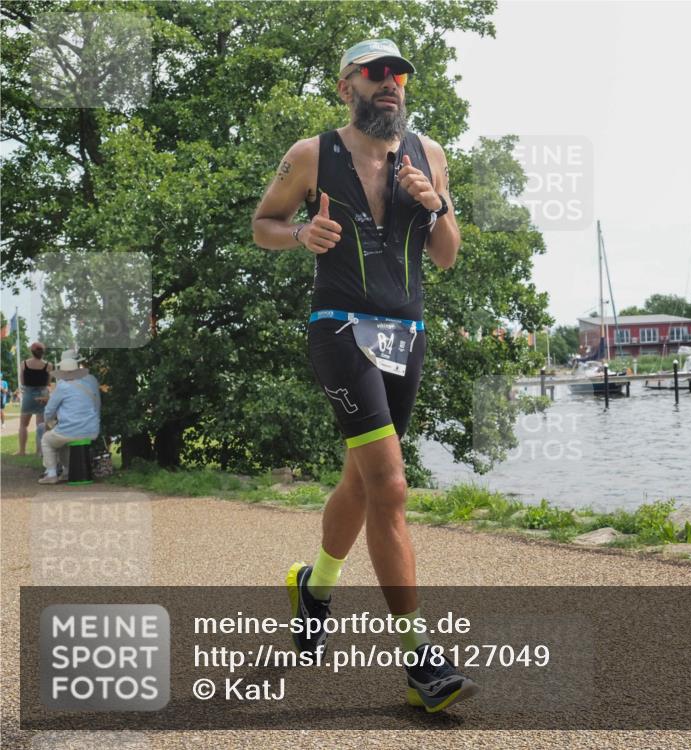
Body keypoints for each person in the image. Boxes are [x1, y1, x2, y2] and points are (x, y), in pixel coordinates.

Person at [251, 38, 476, 712]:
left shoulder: (429, 155)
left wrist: (435, 204)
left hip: (407, 334)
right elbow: (263, 224)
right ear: (346, 85)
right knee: (390, 484)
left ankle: (315, 587)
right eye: (375, 73)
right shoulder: (310, 154)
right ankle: (420, 661)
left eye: (398, 74)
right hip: (341, 328)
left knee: (361, 479)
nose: (390, 83)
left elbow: (447, 257)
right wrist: (300, 236)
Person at [38, 351, 101, 484]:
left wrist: (48, 422)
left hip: (72, 429)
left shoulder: (62, 386)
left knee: (47, 440)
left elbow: (49, 409)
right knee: (62, 442)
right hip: (92, 429)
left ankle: (51, 474)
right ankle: (67, 472)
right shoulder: (88, 382)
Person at [17, 342, 52, 456]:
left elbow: (22, 381)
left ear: (32, 351)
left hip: (28, 394)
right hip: (43, 394)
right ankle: (39, 451)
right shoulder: (49, 365)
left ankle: (22, 451)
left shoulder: (24, 364)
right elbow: (48, 382)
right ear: (43, 352)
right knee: (41, 425)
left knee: (23, 424)